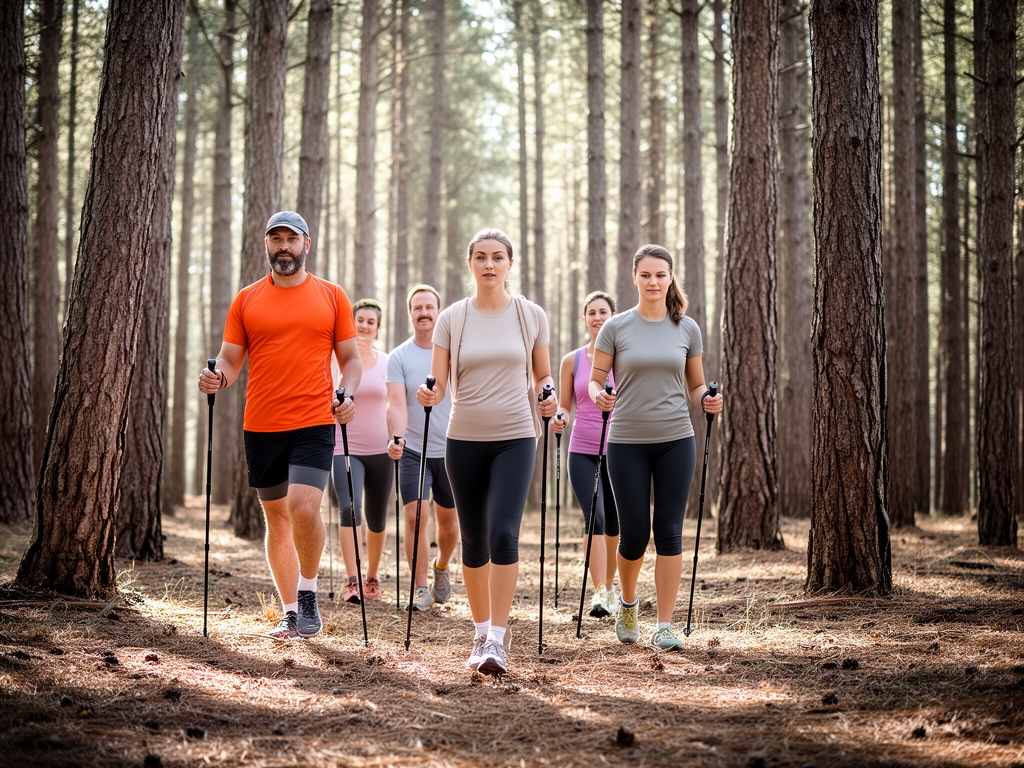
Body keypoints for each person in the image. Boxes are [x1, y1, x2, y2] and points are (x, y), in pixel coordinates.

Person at [199, 211, 361, 640]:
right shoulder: (247, 299)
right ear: (266, 245)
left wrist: (347, 392)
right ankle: (291, 612)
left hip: (314, 420)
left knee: (303, 507)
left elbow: (351, 360)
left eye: (292, 238)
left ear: (307, 244)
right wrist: (219, 377)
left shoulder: (332, 296)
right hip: (262, 424)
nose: (284, 245)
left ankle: (307, 595)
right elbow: (231, 359)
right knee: (277, 518)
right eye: (276, 239)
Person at [417, 229, 558, 675]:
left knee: (503, 535)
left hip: (518, 436)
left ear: (510, 264)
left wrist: (549, 397)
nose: (489, 264)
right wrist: (428, 393)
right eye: (481, 257)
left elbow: (542, 377)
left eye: (498, 257)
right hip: (463, 441)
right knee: (473, 540)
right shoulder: (452, 319)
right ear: (470, 263)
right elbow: (438, 384)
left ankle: (498, 638)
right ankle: (480, 633)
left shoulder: (530, 315)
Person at [589, 244, 723, 651]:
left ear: (670, 278)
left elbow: (696, 384)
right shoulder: (615, 327)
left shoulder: (687, 328)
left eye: (660, 275)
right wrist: (598, 395)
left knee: (668, 531)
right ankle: (627, 603)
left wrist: (706, 400)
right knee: (633, 536)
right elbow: (595, 380)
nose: (653, 282)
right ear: (634, 278)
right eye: (645, 275)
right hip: (626, 442)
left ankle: (664, 624)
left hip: (676, 440)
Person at [386, 285, 459, 611]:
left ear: (438, 311)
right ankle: (419, 587)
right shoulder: (399, 356)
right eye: (418, 307)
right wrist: (396, 436)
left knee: (449, 524)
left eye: (430, 306)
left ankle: (441, 566)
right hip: (413, 449)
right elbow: (396, 405)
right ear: (410, 313)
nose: (424, 312)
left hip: (452, 449)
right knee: (416, 517)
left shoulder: (452, 353)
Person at [554, 291, 619, 619]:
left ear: (613, 316)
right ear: (584, 319)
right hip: (581, 450)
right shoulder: (573, 360)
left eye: (603, 311)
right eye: (591, 312)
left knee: (616, 521)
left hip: (620, 451)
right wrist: (560, 417)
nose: (597, 317)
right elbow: (565, 405)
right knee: (596, 515)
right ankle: (600, 593)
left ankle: (611, 586)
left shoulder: (624, 357)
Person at [333, 299, 396, 605]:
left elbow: (394, 404)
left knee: (377, 517)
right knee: (349, 508)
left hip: (381, 450)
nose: (364, 325)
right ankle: (352, 579)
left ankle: (372, 576)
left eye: (371, 321)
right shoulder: (338, 362)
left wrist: (397, 438)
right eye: (359, 319)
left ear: (377, 328)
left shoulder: (388, 362)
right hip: (343, 448)